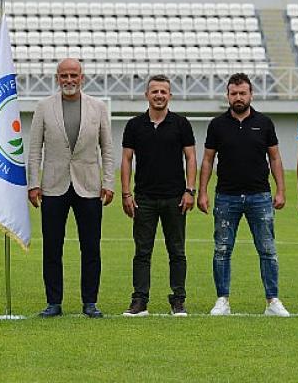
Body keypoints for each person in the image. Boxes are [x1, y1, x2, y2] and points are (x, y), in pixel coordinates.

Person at [197, 72, 290, 317]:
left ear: (251, 95)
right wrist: (202, 192)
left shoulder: (265, 122)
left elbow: (275, 158)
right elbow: (207, 161)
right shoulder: (217, 125)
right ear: (227, 95)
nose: (238, 97)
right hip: (226, 197)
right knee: (222, 250)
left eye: (243, 93)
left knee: (267, 249)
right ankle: (222, 300)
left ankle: (272, 300)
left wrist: (280, 190)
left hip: (260, 196)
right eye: (234, 93)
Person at [27, 58, 114, 318]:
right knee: (52, 247)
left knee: (91, 247)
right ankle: (54, 302)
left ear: (81, 77)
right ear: (57, 78)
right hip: (53, 187)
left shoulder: (97, 107)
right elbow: (34, 149)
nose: (69, 80)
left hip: (88, 186)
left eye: (73, 75)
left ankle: (90, 302)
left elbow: (107, 148)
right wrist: (33, 183)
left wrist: (108, 182)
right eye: (64, 75)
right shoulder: (43, 107)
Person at [120, 75, 196, 317]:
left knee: (177, 251)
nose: (159, 95)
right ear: (147, 95)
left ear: (170, 96)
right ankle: (140, 300)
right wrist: (126, 193)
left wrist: (190, 190)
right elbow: (126, 159)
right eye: (155, 91)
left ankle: (178, 300)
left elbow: (191, 158)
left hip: (175, 198)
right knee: (142, 251)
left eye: (164, 91)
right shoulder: (134, 125)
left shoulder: (181, 124)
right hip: (144, 199)